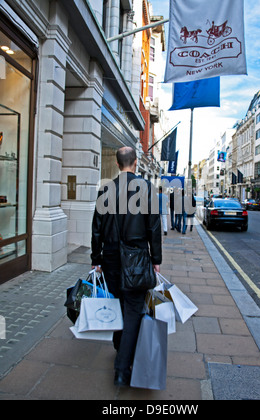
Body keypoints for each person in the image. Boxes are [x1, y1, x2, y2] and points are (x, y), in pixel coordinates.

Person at [91, 147, 162, 387]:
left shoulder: (106, 188)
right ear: (135, 162)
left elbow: (97, 227)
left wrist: (96, 257)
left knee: (119, 303)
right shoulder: (145, 188)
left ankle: (120, 346)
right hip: (137, 259)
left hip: (110, 258)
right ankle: (122, 369)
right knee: (133, 310)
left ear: (118, 163)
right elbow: (153, 226)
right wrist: (156, 259)